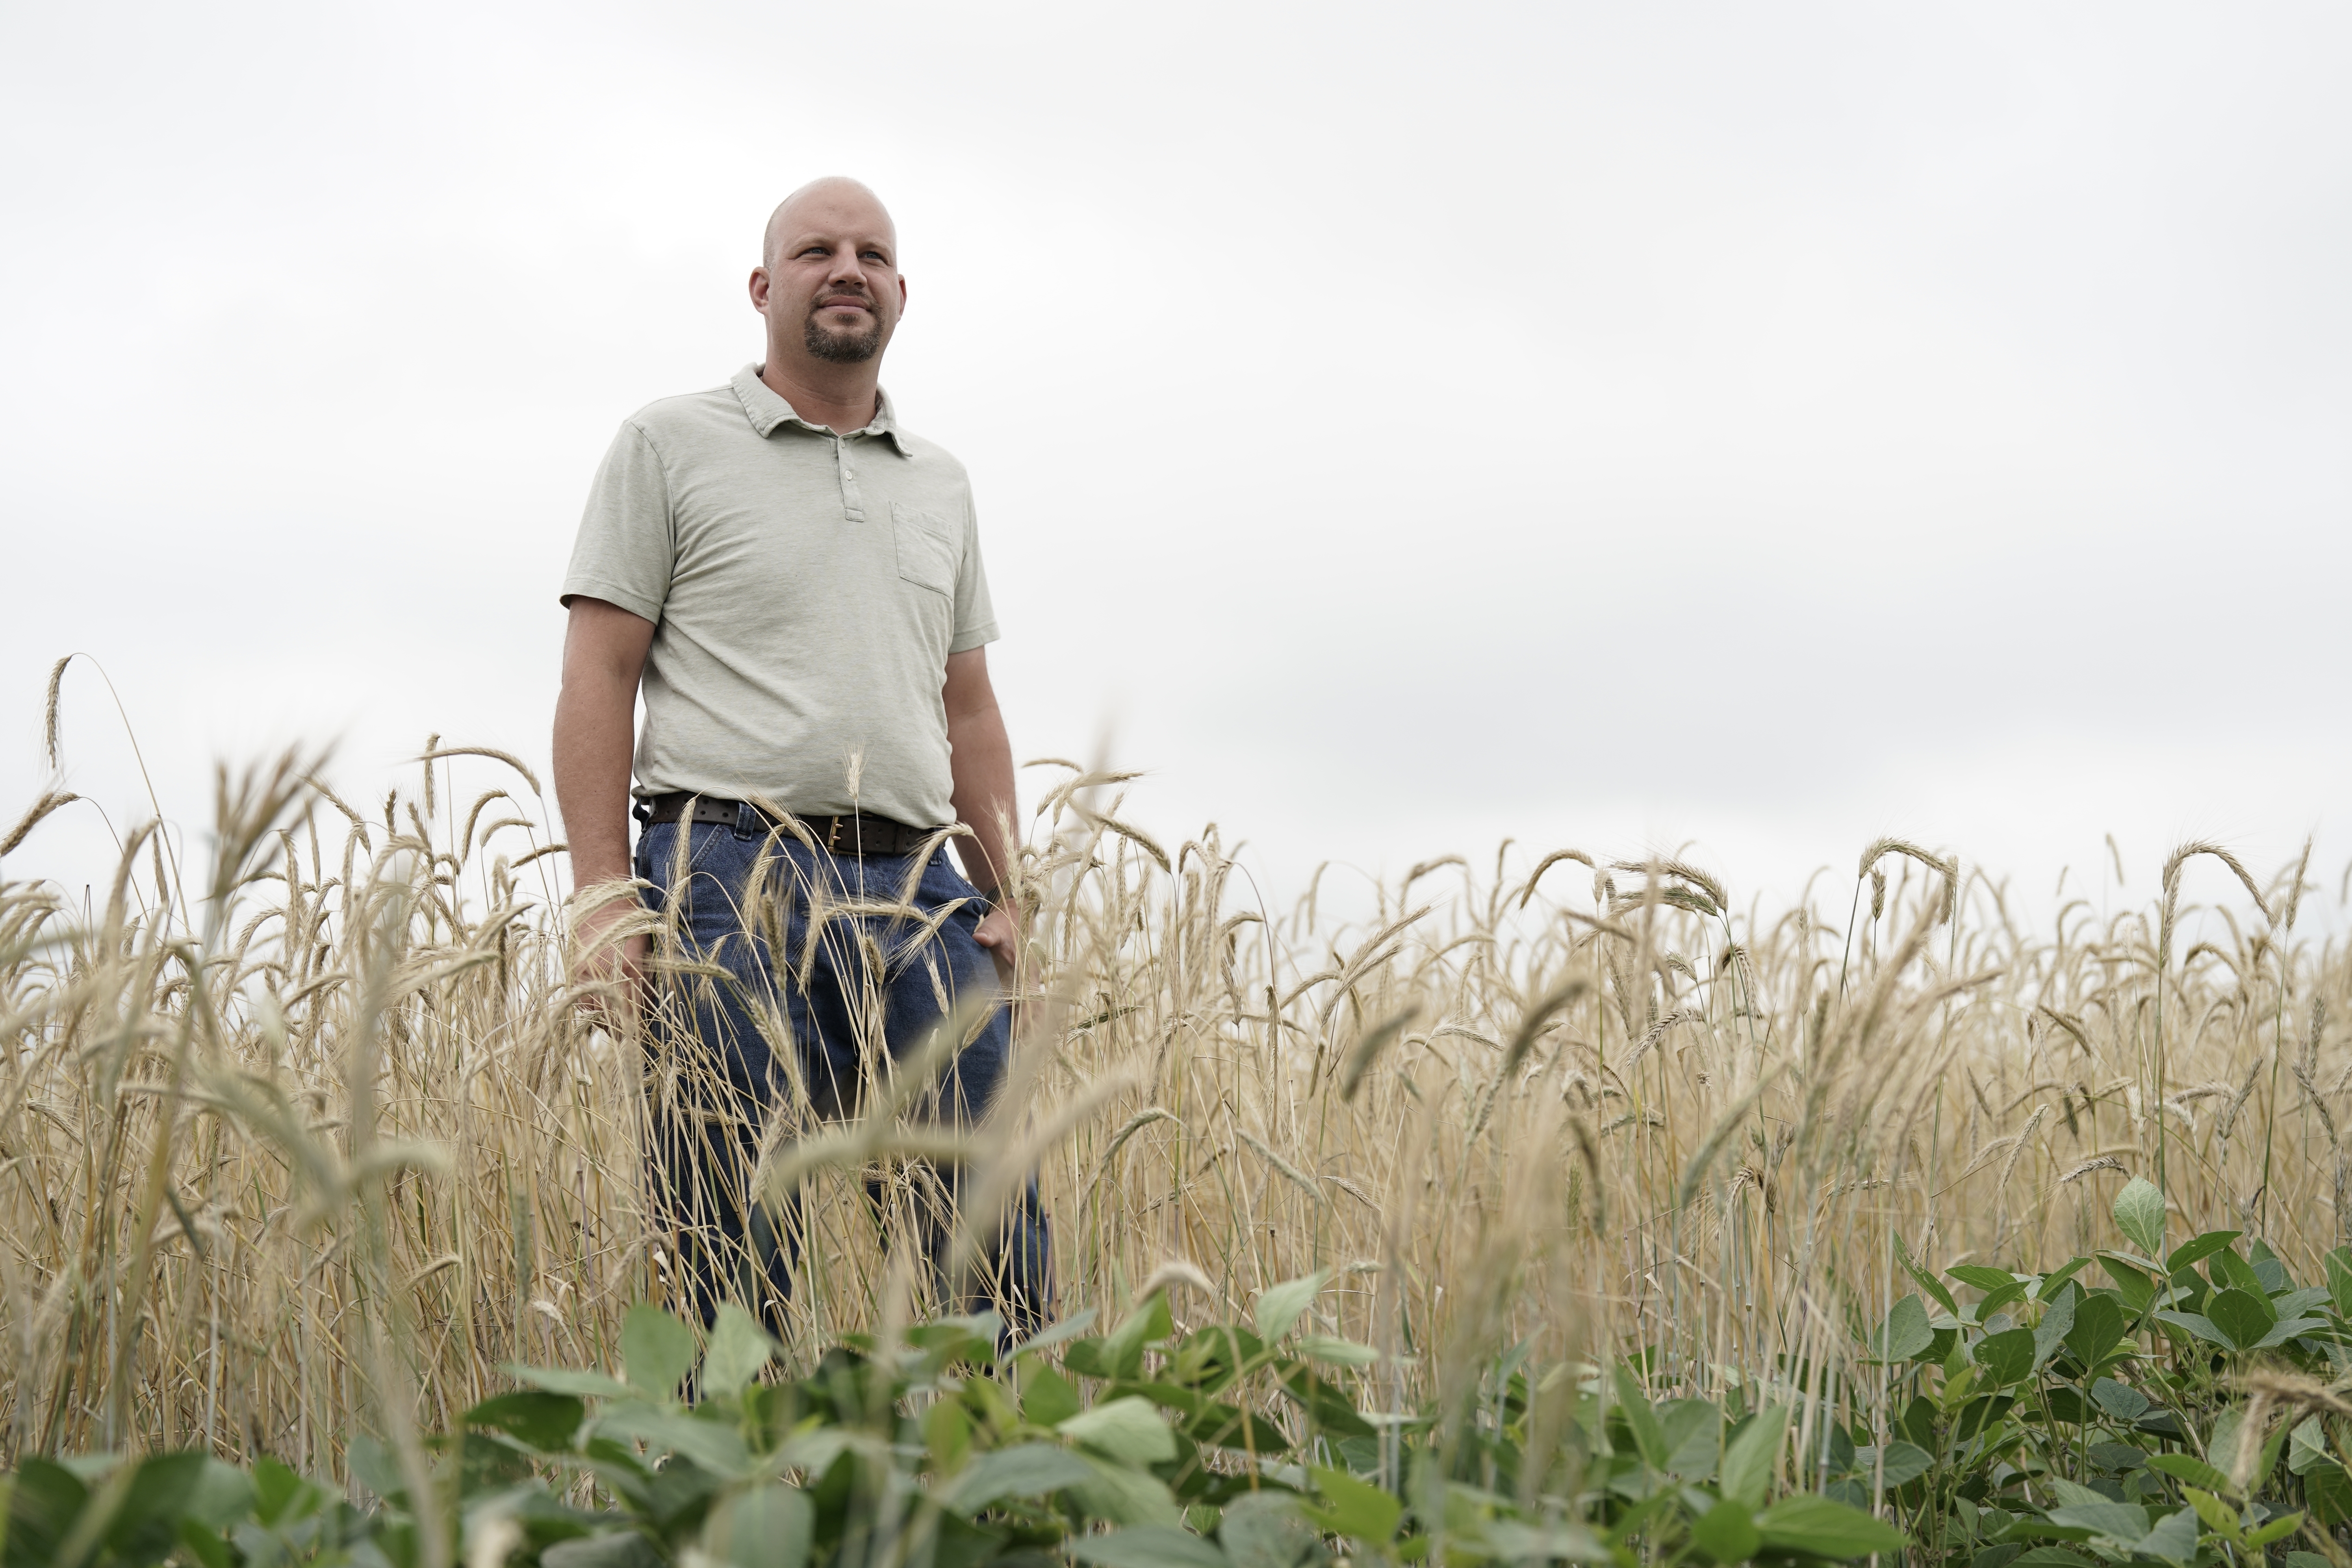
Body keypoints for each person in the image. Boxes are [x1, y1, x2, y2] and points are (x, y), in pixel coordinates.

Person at [551, 176, 1051, 1336]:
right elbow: (597, 677)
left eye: (872, 254)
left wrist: (1010, 889)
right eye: (817, 250)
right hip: (725, 872)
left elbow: (966, 708)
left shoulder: (940, 485)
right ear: (763, 287)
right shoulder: (666, 444)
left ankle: (991, 1500)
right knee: (725, 1229)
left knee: (990, 1241)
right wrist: (598, 900)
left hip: (925, 893)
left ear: (900, 293)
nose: (848, 270)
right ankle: (732, 1501)